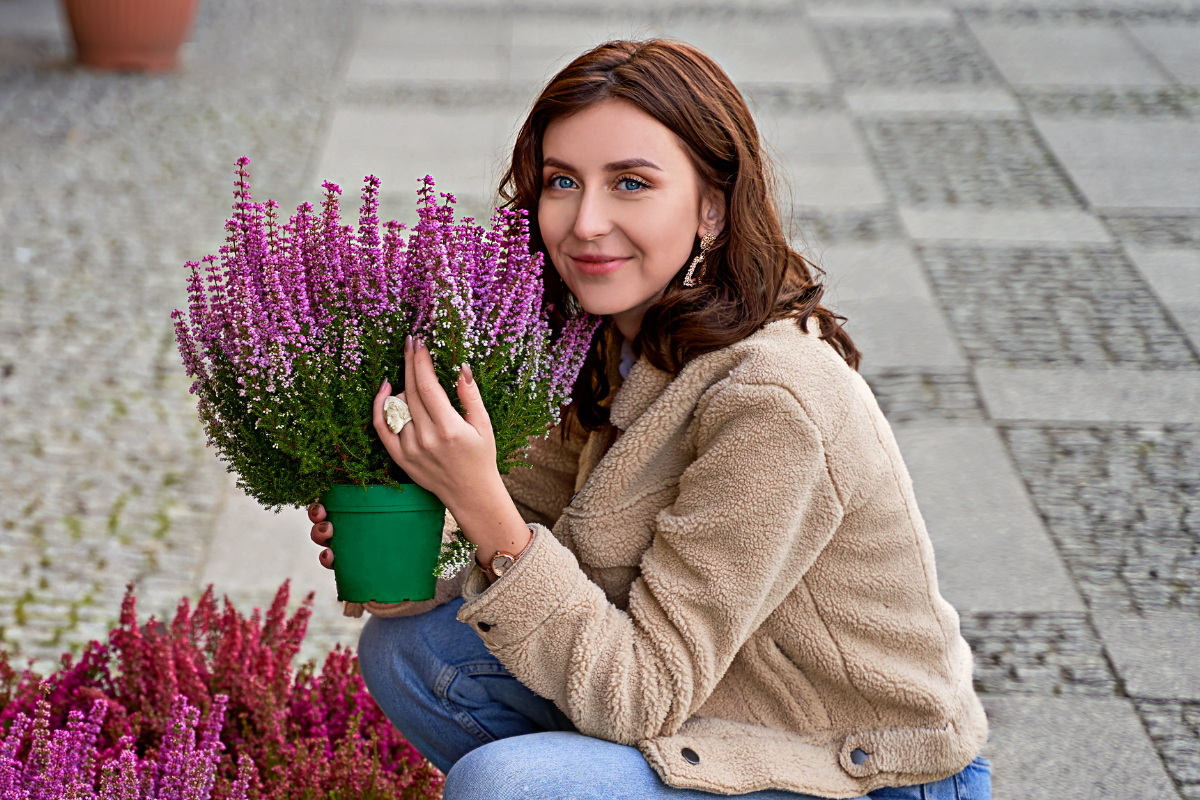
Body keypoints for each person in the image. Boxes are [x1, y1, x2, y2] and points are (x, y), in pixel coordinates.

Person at [307, 39, 991, 800]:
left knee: (512, 787)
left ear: (712, 208)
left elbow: (640, 692)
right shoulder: (599, 343)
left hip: (861, 767)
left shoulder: (772, 401)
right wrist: (411, 550)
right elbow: (526, 546)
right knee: (410, 651)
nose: (586, 222)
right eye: (562, 182)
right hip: (716, 705)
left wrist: (477, 501)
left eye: (631, 183)